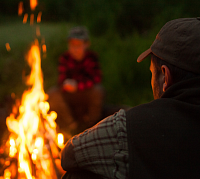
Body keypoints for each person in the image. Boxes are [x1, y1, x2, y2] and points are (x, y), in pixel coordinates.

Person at [60, 18, 200, 178]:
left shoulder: (129, 127)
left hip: (86, 93)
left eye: (152, 72)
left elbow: (69, 155)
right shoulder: (65, 58)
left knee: (77, 175)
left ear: (165, 77)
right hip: (72, 96)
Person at [48, 26, 104, 134]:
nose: (74, 48)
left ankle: (92, 127)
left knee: (99, 91)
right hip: (69, 95)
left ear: (86, 44)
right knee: (53, 93)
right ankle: (71, 125)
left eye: (78, 45)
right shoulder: (65, 58)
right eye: (72, 45)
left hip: (86, 93)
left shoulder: (91, 58)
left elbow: (96, 78)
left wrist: (78, 85)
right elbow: (61, 80)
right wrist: (66, 85)